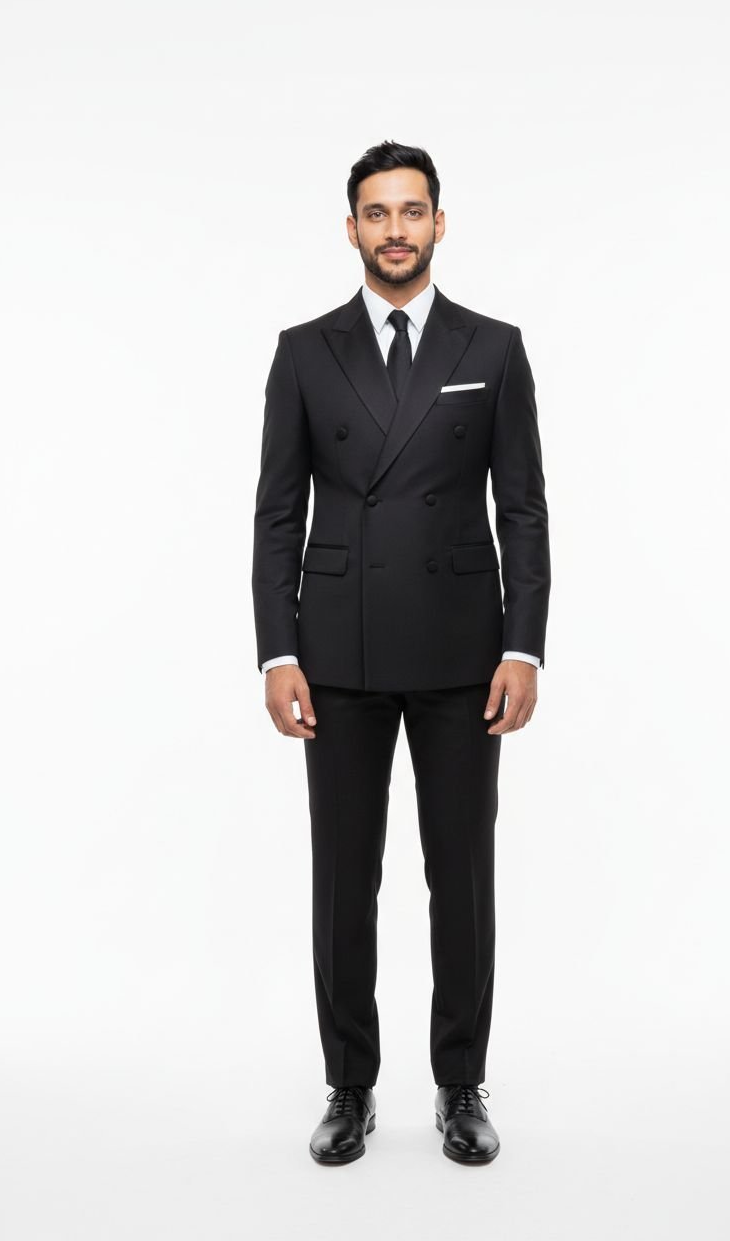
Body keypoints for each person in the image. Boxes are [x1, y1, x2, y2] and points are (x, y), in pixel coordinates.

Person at [251, 140, 550, 1165]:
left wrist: (524, 646)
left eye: (411, 211)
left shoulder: (494, 347)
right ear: (351, 229)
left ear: (439, 223)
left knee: (461, 875)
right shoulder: (303, 351)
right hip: (336, 652)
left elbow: (522, 508)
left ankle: (460, 1083)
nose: (394, 230)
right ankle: (350, 1084)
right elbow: (276, 514)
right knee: (344, 878)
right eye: (376, 213)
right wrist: (276, 655)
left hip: (464, 652)